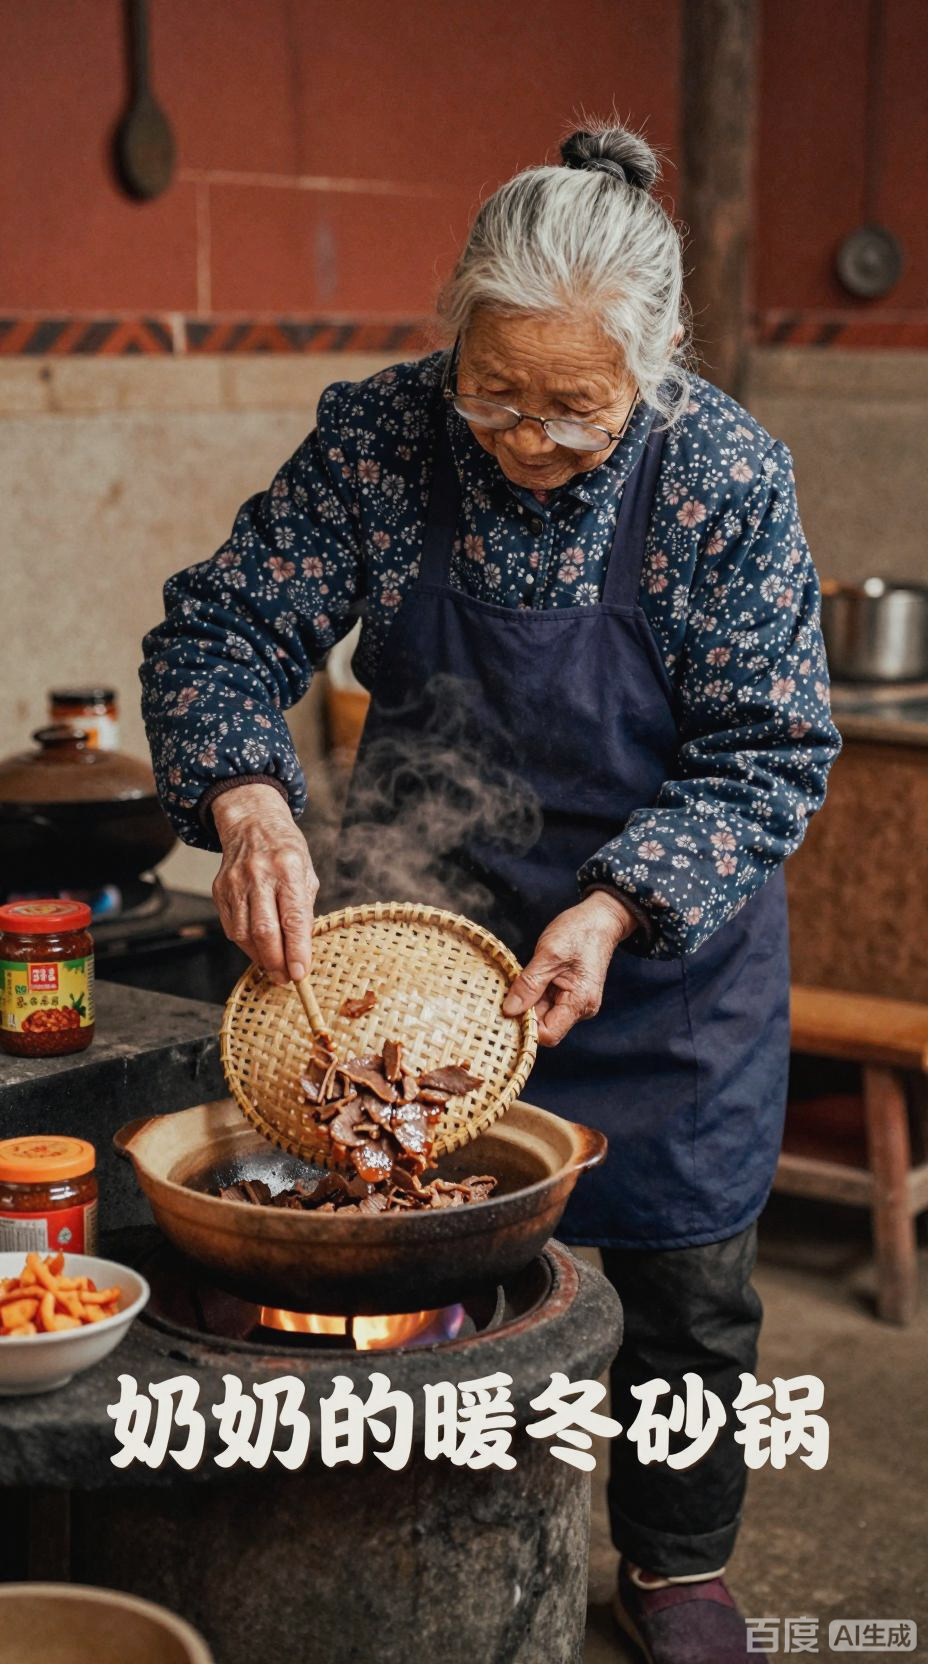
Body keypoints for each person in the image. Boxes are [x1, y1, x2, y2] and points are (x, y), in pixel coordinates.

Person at [141, 122, 840, 1664]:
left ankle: (674, 1565)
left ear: (650, 371)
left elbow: (772, 752)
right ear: (454, 326)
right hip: (415, 960)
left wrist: (612, 907)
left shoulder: (723, 474)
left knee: (683, 1298)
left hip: (656, 971)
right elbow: (222, 632)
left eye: (573, 410)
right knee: (421, 1262)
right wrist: (249, 795)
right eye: (495, 389)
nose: (525, 437)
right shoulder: (386, 438)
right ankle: (429, 1537)